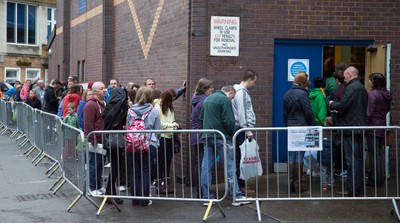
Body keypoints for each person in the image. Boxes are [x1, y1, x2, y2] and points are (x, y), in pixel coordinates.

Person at [200, 85, 250, 206]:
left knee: (206, 167)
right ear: (230, 92)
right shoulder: (224, 100)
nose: (232, 100)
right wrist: (230, 134)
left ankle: (207, 197)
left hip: (207, 136)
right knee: (230, 167)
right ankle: (236, 196)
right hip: (222, 137)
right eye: (232, 97)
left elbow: (201, 118)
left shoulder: (208, 99)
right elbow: (230, 121)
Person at [329, 66, 368, 196]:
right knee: (357, 159)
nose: (344, 78)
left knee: (351, 160)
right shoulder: (361, 88)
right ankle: (358, 188)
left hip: (350, 128)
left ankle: (352, 189)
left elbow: (344, 105)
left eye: (345, 76)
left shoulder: (351, 88)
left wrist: (331, 104)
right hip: (359, 128)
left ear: (350, 74)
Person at [126, 87, 161, 207]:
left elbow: (127, 127)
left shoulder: (130, 110)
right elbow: (158, 130)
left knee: (134, 171)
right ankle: (144, 200)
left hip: (132, 144)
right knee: (146, 171)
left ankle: (134, 200)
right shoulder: (154, 111)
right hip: (149, 144)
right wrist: (156, 142)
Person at [283, 71, 316, 193]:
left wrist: (287, 126)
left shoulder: (287, 93)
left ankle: (292, 185)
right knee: (300, 156)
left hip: (291, 127)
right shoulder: (302, 95)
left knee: (291, 155)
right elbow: (308, 113)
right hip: (302, 127)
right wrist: (314, 127)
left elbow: (285, 113)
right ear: (302, 82)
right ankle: (298, 186)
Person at [232, 69, 258, 192]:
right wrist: (247, 130)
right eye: (254, 81)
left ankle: (239, 185)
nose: (254, 84)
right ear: (249, 79)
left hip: (240, 128)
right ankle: (240, 186)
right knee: (241, 158)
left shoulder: (237, 91)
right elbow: (242, 112)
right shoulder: (241, 93)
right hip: (241, 129)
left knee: (240, 158)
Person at [102, 87, 128, 204]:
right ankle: (110, 193)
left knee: (115, 167)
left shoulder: (108, 106)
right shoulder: (118, 107)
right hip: (115, 141)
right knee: (116, 167)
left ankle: (110, 192)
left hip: (110, 140)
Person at [366, 73, 392, 187]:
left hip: (373, 127)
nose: (369, 82)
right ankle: (379, 178)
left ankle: (374, 179)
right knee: (379, 154)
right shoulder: (386, 94)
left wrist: (363, 122)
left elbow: (369, 112)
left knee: (374, 154)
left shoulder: (373, 94)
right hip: (382, 125)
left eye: (370, 80)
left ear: (375, 82)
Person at [189, 78, 214, 197]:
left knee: (198, 163)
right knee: (203, 165)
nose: (212, 89)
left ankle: (200, 190)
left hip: (196, 135)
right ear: (204, 89)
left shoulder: (196, 99)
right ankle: (203, 191)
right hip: (202, 135)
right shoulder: (205, 101)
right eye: (210, 87)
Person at [84, 81, 108, 195]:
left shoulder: (103, 103)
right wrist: (93, 139)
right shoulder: (90, 105)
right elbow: (88, 124)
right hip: (95, 140)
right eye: (101, 88)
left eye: (105, 88)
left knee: (100, 164)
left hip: (102, 139)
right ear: (94, 91)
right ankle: (93, 188)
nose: (105, 90)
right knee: (94, 164)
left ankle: (98, 186)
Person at [154, 88, 179, 194]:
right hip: (162, 136)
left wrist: (174, 124)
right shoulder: (157, 107)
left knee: (168, 161)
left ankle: (166, 185)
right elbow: (158, 123)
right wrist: (171, 125)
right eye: (171, 99)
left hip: (170, 136)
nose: (172, 101)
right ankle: (159, 186)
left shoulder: (169, 107)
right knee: (161, 162)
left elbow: (171, 119)